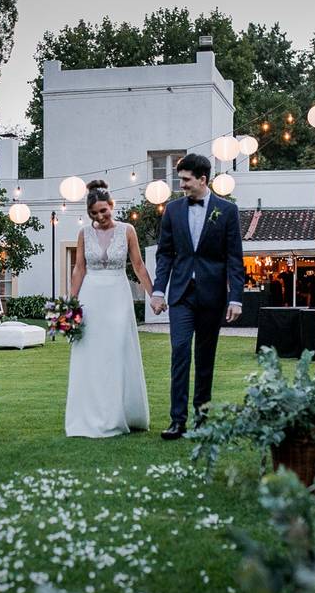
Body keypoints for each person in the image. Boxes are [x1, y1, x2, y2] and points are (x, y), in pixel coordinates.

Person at [151, 154, 244, 440]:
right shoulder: (172, 210)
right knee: (180, 352)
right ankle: (177, 421)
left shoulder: (227, 211)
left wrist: (236, 298)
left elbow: (234, 258)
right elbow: (165, 253)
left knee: (205, 358)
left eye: (186, 180)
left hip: (212, 295)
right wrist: (158, 290)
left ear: (203, 179)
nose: (181, 186)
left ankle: (202, 419)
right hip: (180, 295)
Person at [65, 180, 152, 438]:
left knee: (116, 353)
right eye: (94, 213)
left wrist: (154, 294)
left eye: (103, 211)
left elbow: (138, 266)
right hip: (90, 297)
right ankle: (88, 415)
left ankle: (119, 414)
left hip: (117, 296)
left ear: (111, 206)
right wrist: (70, 304)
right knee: (90, 355)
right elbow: (79, 268)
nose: (100, 217)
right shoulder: (84, 235)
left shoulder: (127, 230)